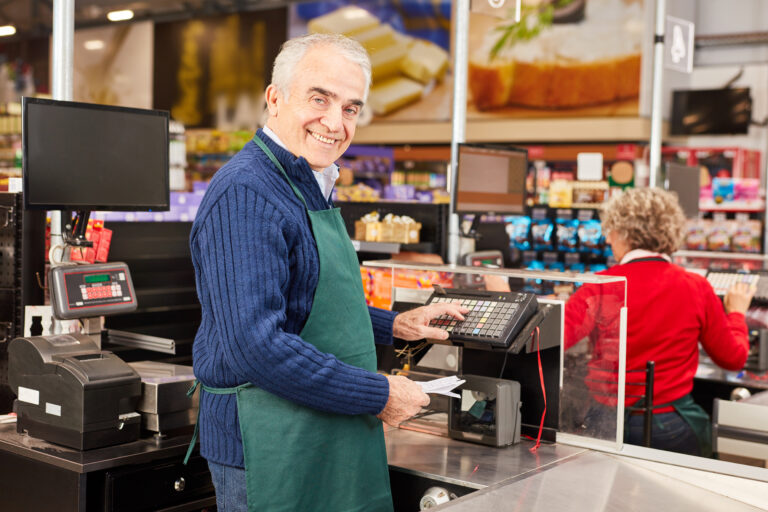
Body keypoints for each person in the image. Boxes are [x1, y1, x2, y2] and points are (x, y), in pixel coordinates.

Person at [188, 33, 467, 512]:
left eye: (351, 108)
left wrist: (398, 324)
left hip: (319, 426)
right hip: (267, 439)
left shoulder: (306, 181)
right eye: (320, 99)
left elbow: (306, 302)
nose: (335, 123)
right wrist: (378, 393)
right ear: (275, 98)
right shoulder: (247, 192)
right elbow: (256, 344)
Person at [564, 187, 753, 456]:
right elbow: (733, 359)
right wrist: (736, 313)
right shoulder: (695, 286)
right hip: (670, 423)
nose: (608, 239)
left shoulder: (599, 286)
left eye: (610, 232)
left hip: (603, 422)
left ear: (621, 233)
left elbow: (555, 339)